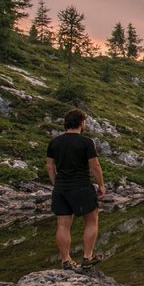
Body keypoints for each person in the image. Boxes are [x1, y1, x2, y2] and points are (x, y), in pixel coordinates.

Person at [45, 108, 105, 270]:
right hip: (81, 186)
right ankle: (87, 258)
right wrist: (101, 184)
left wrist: (55, 183)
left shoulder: (54, 142)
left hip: (61, 188)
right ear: (81, 123)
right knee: (92, 221)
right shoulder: (86, 142)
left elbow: (50, 166)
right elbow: (95, 165)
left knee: (63, 225)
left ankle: (65, 261)